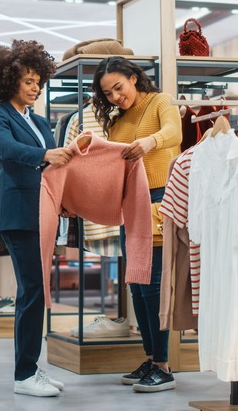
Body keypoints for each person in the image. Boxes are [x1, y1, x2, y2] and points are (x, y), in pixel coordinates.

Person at [0, 39, 73, 397]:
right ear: (9, 81)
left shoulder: (37, 120)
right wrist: (46, 154)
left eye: (38, 81)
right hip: (19, 215)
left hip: (45, 212)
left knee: (39, 291)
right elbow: (7, 149)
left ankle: (33, 368)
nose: (35, 88)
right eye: (28, 81)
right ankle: (24, 375)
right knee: (32, 291)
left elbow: (53, 167)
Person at [91, 56, 182, 392]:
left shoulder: (160, 101)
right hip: (130, 203)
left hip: (158, 200)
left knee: (154, 283)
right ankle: (150, 356)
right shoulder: (116, 121)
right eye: (108, 93)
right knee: (137, 284)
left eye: (119, 87)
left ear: (133, 78)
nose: (115, 96)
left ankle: (163, 365)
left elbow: (174, 133)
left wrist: (149, 142)